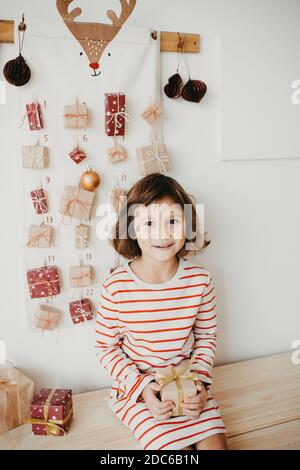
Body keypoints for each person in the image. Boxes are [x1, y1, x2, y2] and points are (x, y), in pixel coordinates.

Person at [95, 173, 228, 450]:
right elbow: (106, 348)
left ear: (187, 224)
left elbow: (207, 338)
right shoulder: (116, 287)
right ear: (131, 228)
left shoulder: (200, 281)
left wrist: (201, 383)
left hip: (189, 385)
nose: (163, 233)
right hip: (140, 394)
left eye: (172, 221)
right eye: (148, 223)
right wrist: (142, 387)